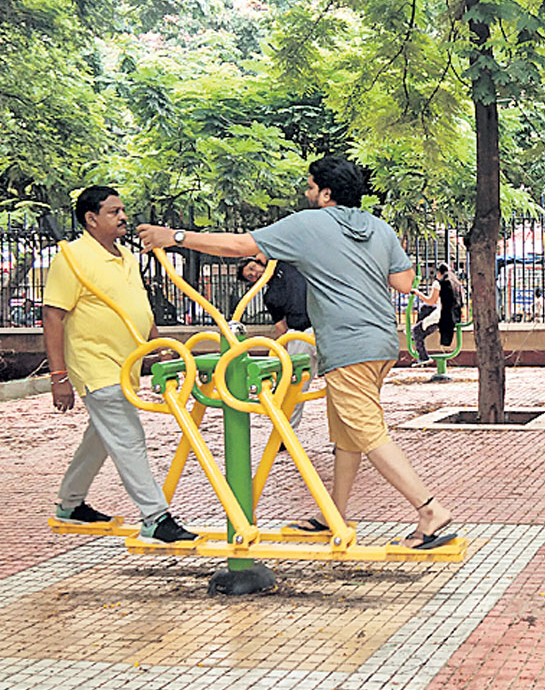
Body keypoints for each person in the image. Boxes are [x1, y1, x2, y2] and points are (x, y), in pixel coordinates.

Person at [138, 157, 454, 550]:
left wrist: (176, 237)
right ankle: (333, 513)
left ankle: (429, 510)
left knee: (369, 432)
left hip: (347, 344)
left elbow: (241, 246)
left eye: (309, 187)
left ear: (325, 193)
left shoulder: (308, 224)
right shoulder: (378, 227)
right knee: (347, 435)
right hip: (382, 343)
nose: (306, 194)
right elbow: (403, 282)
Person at [43, 186, 198, 544]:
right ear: (91, 219)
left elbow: (139, 307)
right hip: (95, 364)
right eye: (114, 212)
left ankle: (70, 503)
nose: (123, 217)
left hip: (125, 365)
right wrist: (58, 377)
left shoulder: (126, 256)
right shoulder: (72, 258)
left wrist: (158, 350)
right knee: (128, 438)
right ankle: (155, 517)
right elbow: (53, 317)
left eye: (123, 210)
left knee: (100, 436)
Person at [238, 257, 316, 429]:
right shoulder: (270, 296)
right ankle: (286, 432)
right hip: (299, 333)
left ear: (258, 262)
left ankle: (343, 439)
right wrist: (282, 351)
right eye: (250, 276)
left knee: (339, 378)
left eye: (252, 268)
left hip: (323, 326)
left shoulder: (284, 264)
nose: (254, 274)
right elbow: (281, 326)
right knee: (295, 386)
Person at [411, 263, 462, 363]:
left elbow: (431, 301)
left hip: (441, 315)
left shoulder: (439, 283)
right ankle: (420, 328)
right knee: (424, 308)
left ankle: (423, 357)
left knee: (416, 331)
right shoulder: (455, 283)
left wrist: (418, 293)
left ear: (439, 273)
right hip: (452, 315)